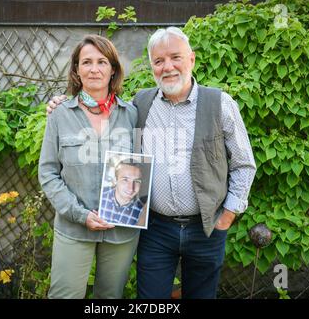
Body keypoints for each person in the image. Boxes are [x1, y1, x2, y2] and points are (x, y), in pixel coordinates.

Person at [47, 27, 256, 299]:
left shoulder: (220, 103)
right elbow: (95, 113)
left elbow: (243, 164)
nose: (167, 67)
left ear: (191, 59)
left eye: (175, 58)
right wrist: (60, 103)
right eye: (159, 61)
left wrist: (227, 217)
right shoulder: (140, 105)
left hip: (205, 228)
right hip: (156, 230)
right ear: (151, 66)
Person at [38, 34, 140, 299]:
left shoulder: (132, 114)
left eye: (102, 62)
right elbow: (48, 173)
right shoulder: (60, 114)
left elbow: (142, 169)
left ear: (113, 69)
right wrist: (79, 214)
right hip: (74, 228)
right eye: (87, 62)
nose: (94, 69)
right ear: (76, 69)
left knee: (110, 298)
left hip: (121, 231)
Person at [100, 159, 145, 226]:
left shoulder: (142, 211)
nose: (131, 188)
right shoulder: (100, 196)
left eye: (137, 181)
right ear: (115, 180)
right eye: (125, 180)